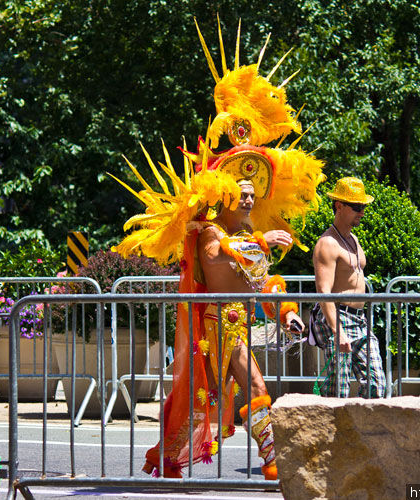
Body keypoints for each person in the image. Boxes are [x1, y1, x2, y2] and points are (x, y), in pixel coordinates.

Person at [111, 21, 325, 480]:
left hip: (236, 322)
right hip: (212, 325)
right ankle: (267, 465)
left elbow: (260, 278)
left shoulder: (246, 231)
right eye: (241, 192)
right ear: (225, 193)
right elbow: (217, 259)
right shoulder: (208, 230)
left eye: (254, 193)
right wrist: (261, 243)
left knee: (220, 393)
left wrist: (285, 309)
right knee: (232, 388)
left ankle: (185, 461)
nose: (249, 199)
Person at [311, 177, 386, 399]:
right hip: (338, 317)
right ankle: (326, 431)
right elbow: (323, 292)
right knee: (339, 390)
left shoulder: (353, 239)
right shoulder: (327, 243)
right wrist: (337, 331)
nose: (362, 212)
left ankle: (365, 432)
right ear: (339, 206)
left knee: (376, 384)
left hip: (359, 320)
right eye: (357, 207)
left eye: (363, 207)